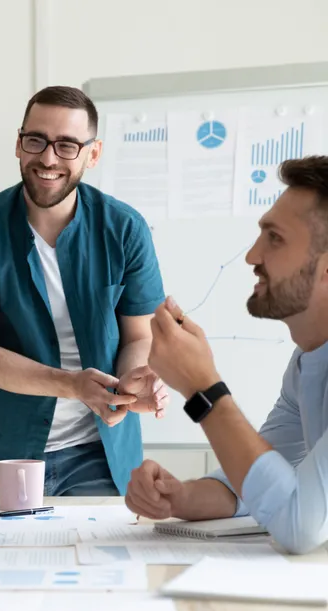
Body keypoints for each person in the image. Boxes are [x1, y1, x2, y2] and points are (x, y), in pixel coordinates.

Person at [0, 86, 168, 497]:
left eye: (67, 145)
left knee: (100, 561)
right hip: (8, 454)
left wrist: (130, 382)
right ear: (18, 144)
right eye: (36, 141)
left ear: (92, 155)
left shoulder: (125, 229)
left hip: (100, 451)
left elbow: (139, 336)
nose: (47, 158)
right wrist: (74, 385)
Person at [125, 156, 328, 555]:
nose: (252, 256)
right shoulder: (305, 365)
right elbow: (258, 477)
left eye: (275, 238)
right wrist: (180, 497)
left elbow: (301, 524)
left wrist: (204, 388)